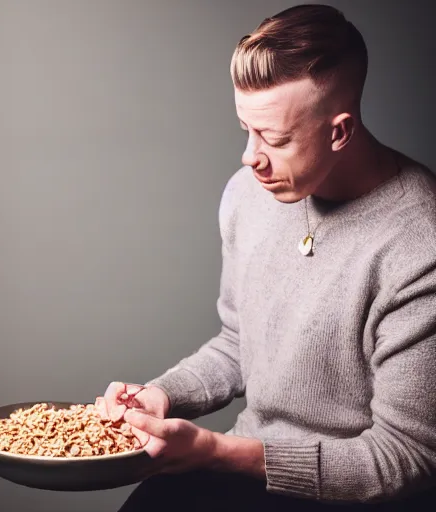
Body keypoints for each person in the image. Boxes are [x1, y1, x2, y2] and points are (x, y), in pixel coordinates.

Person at [101, 4, 436, 510]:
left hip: (357, 493)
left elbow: (404, 458)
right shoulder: (248, 192)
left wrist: (216, 451)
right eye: (246, 130)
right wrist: (164, 394)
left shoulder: (419, 244)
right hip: (243, 465)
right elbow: (240, 341)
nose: (249, 157)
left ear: (339, 131)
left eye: (274, 139)